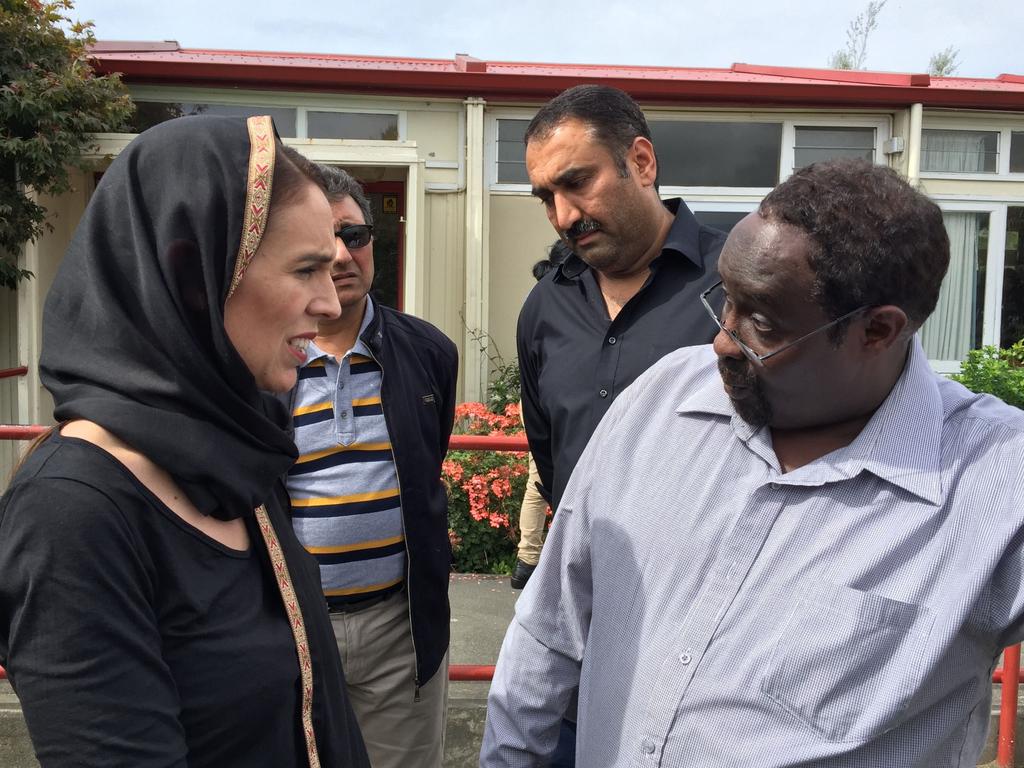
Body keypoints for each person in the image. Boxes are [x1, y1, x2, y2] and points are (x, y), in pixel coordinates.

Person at [480, 158, 1024, 767]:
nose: (720, 339)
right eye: (725, 300)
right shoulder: (663, 399)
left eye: (761, 321)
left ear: (878, 331)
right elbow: (549, 625)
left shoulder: (996, 477)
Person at [0, 115, 370, 768]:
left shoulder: (231, 456)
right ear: (196, 277)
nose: (330, 304)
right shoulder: (72, 517)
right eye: (306, 268)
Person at [512, 84, 725, 588]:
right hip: (577, 594)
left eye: (578, 182)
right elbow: (550, 455)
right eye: (547, 198)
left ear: (642, 162)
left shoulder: (737, 286)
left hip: (703, 601)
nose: (563, 216)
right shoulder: (546, 304)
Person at [284, 164, 458, 768]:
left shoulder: (429, 352)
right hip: (289, 634)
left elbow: (424, 463)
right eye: (317, 242)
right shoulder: (259, 361)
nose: (340, 255)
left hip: (399, 632)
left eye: (353, 235)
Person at [511, 240, 571, 589]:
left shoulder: (538, 299)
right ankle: (530, 559)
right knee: (542, 478)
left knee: (539, 478)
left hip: (537, 394)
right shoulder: (559, 300)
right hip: (548, 396)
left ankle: (528, 559)